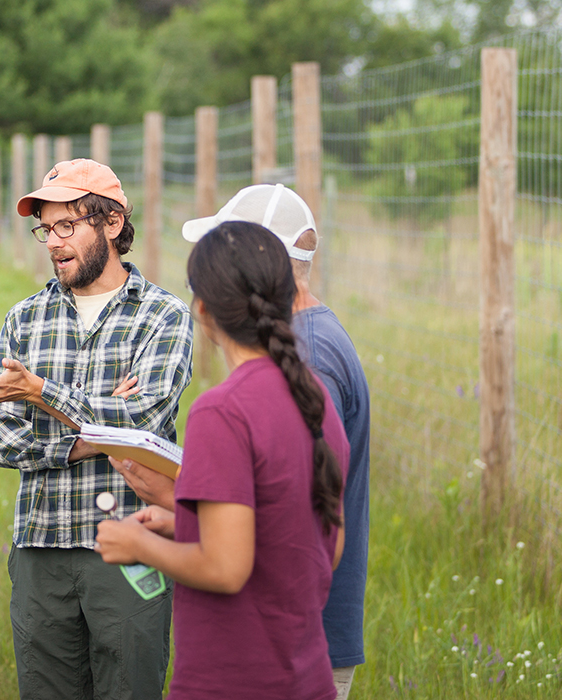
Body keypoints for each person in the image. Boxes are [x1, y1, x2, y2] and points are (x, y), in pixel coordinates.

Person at [114, 183, 371, 698]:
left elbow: (229, 567)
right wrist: (184, 518)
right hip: (306, 666)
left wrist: (138, 541)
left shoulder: (228, 406)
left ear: (205, 309)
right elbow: (319, 531)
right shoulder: (309, 381)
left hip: (239, 670)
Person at [0, 158, 194, 699]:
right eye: (45, 229)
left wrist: (40, 394)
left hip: (133, 549)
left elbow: (146, 421)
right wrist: (88, 437)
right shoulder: (24, 319)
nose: (53, 242)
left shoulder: (163, 316)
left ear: (112, 224)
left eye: (68, 226)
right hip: (40, 546)